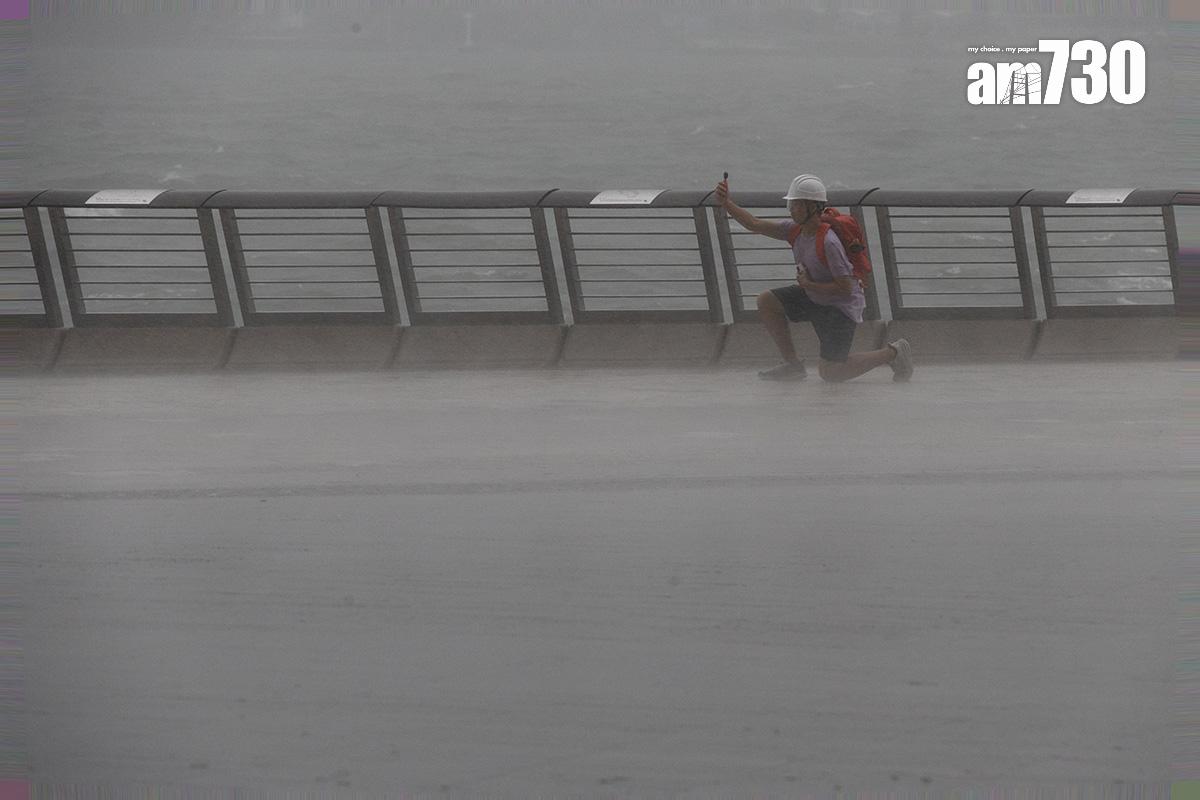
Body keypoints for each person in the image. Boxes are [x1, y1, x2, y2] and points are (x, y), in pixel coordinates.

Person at [715, 173, 913, 383]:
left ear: (813, 207)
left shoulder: (829, 242)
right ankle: (793, 365)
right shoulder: (794, 230)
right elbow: (754, 224)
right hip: (815, 296)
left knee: (831, 373)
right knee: (767, 301)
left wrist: (809, 284)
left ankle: (894, 352)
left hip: (839, 309)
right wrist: (726, 203)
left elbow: (845, 288)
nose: (791, 209)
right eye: (791, 204)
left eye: (797, 205)